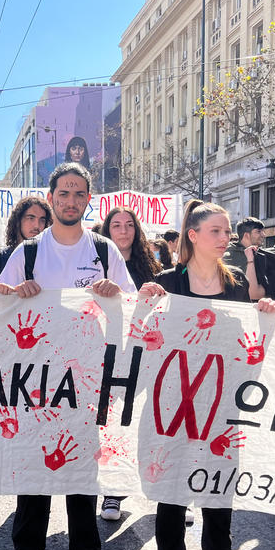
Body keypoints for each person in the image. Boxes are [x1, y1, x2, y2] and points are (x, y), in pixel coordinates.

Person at [0, 162, 136, 550]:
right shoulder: (29, 252)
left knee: (82, 466)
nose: (70, 201)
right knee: (33, 462)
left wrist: (116, 295)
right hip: (37, 379)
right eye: (63, 194)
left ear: (88, 201)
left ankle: (85, 549)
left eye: (78, 194)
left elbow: (132, 309)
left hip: (88, 379)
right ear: (51, 198)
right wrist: (14, 294)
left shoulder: (105, 251)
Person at [138, 200, 275, 550]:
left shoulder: (235, 283)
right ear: (194, 236)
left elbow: (245, 339)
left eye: (227, 230)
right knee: (173, 479)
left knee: (219, 480)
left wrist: (264, 312)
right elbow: (145, 338)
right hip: (175, 399)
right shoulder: (167, 282)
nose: (225, 237)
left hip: (220, 399)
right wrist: (144, 304)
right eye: (216, 231)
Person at [97, 206, 163, 521]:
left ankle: (163, 492)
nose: (123, 231)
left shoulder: (151, 267)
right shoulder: (95, 263)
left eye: (129, 225)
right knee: (114, 425)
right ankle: (112, 493)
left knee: (146, 422)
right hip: (106, 354)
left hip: (144, 354)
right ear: (106, 230)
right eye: (116, 225)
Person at [0, 196, 51, 286]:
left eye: (42, 220)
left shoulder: (50, 259)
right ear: (18, 221)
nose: (37, 225)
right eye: (31, 218)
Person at [221, 216, 266, 301]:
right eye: (258, 231)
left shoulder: (258, 254)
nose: (263, 235)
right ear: (246, 235)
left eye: (263, 231)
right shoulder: (229, 256)